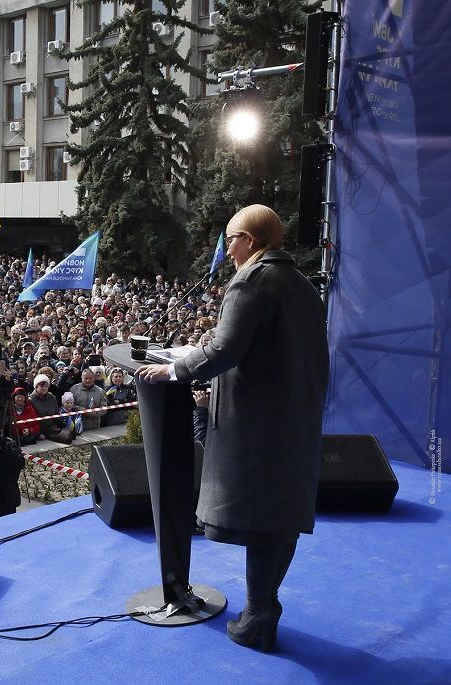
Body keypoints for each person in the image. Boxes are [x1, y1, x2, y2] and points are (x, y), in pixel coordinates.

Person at [136, 204, 329, 652]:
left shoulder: (251, 281)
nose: (226, 248)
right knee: (282, 516)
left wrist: (176, 370)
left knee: (262, 518)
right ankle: (264, 605)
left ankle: (259, 611)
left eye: (231, 238)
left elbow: (225, 350)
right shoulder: (302, 284)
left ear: (253, 241)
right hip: (295, 417)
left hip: (259, 423)